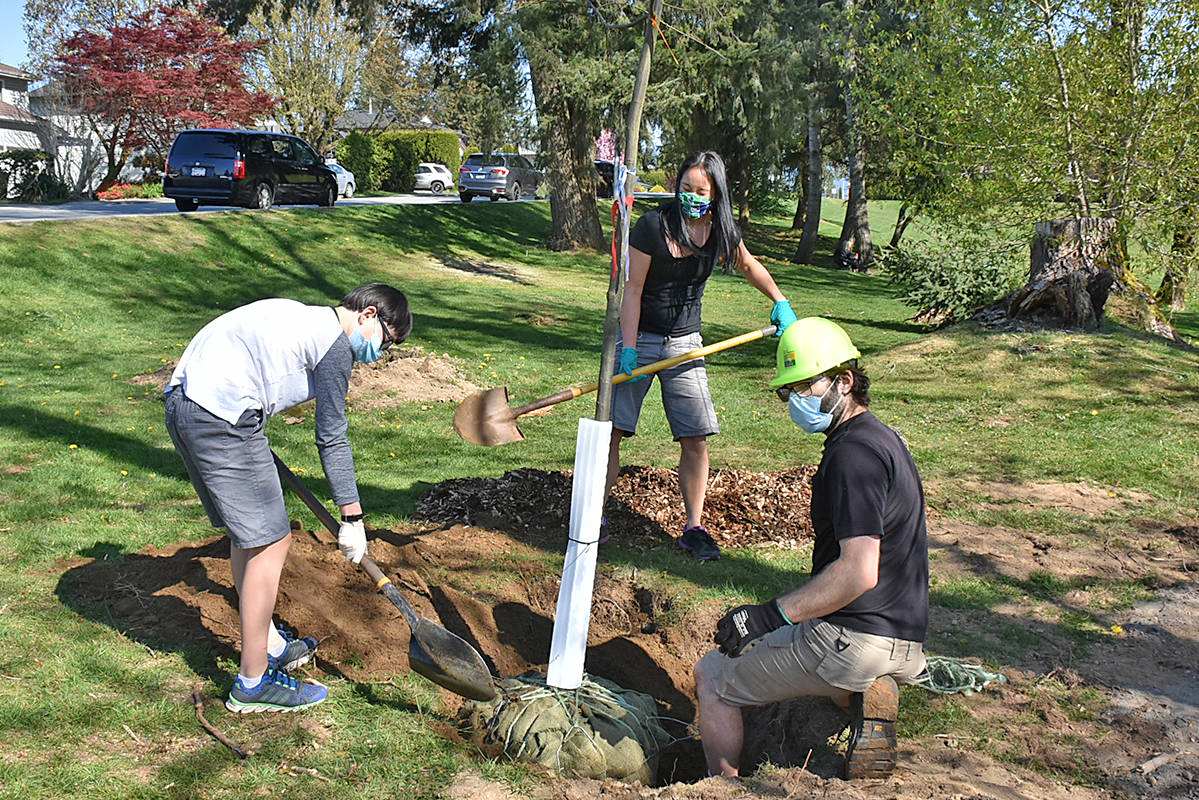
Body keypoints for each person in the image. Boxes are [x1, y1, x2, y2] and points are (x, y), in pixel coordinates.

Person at [693, 317, 929, 779]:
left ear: (845, 381)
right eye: (789, 391)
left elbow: (859, 571)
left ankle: (721, 787)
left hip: (854, 640)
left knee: (713, 679)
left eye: (805, 386)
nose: (796, 400)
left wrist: (766, 616)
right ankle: (862, 696)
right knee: (821, 660)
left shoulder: (851, 456)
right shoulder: (884, 440)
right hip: (906, 642)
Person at [164, 283, 412, 713]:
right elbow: (331, 436)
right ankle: (253, 684)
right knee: (272, 541)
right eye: (387, 342)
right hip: (221, 415)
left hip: (189, 402)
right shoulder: (336, 346)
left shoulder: (309, 318)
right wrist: (353, 517)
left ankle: (269, 644)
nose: (381, 355)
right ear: (369, 315)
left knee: (251, 537)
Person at [604, 151, 798, 561]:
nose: (692, 196)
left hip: (687, 341)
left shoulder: (721, 228)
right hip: (640, 335)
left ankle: (694, 527)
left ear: (716, 194)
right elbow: (633, 289)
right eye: (686, 188)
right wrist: (631, 346)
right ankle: (595, 515)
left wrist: (780, 300)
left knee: (695, 437)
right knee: (614, 430)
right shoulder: (653, 226)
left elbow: (747, 264)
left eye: (701, 191)